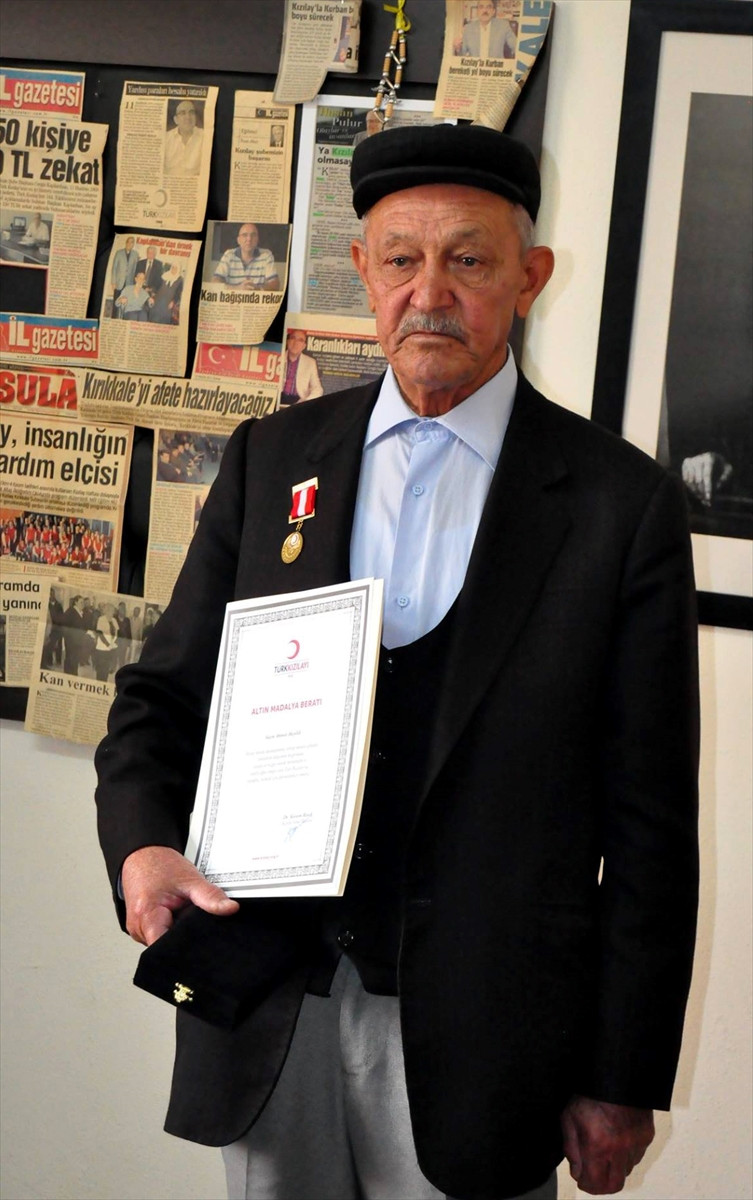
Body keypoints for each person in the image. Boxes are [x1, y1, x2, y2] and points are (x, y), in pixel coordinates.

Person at [95, 125, 699, 1200]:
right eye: (401, 260)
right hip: (271, 1001)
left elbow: (650, 824)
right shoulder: (273, 459)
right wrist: (141, 847)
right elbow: (160, 701)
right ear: (362, 271)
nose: (430, 294)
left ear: (530, 277)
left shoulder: (619, 505)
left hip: (487, 1037)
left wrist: (618, 1074)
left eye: (468, 260)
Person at [212, 224, 280, 291]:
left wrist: (257, 289)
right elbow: (215, 282)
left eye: (253, 235)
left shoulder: (266, 255)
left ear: (257, 239)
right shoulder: (229, 255)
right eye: (244, 235)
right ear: (238, 240)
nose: (249, 239)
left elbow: (275, 284)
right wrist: (238, 289)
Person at [279, 328, 324, 406]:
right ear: (288, 341)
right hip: (278, 398)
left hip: (299, 400)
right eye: (293, 338)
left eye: (300, 340)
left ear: (304, 346)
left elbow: (318, 389)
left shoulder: (310, 362)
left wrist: (305, 402)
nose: (296, 342)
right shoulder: (277, 356)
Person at [164, 100, 204, 176]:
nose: (188, 117)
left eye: (191, 112)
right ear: (176, 120)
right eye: (183, 113)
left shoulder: (204, 136)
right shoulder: (166, 138)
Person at [111, 236, 138, 314]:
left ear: (133, 244)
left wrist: (134, 285)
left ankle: (123, 318)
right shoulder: (119, 253)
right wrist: (113, 282)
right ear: (126, 243)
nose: (130, 244)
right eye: (128, 242)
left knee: (126, 303)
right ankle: (114, 316)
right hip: (118, 283)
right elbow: (114, 268)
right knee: (116, 302)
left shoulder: (135, 254)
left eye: (132, 242)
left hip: (129, 284)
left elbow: (135, 270)